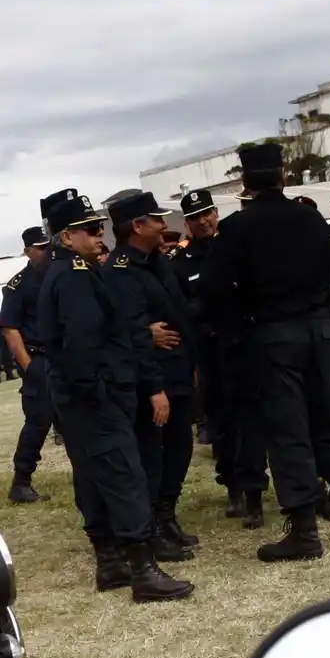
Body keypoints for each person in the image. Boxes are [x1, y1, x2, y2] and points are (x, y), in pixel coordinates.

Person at [206, 143, 330, 562]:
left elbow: (213, 289)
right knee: (329, 424)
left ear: (245, 182)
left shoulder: (237, 229)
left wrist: (239, 326)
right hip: (318, 330)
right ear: (283, 176)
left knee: (288, 433)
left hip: (271, 335)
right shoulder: (311, 219)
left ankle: (304, 530)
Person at [37, 187, 192, 602]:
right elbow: (82, 344)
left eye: (97, 227)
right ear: (67, 238)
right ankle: (143, 570)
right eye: (88, 230)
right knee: (125, 476)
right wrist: (101, 393)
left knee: (97, 474)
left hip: (87, 397)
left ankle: (111, 563)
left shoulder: (70, 273)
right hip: (96, 398)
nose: (98, 236)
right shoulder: (74, 277)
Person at [103, 190, 200, 558]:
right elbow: (125, 330)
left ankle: (166, 513)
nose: (164, 225)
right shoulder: (118, 272)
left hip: (176, 370)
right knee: (152, 455)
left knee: (180, 447)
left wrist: (190, 363)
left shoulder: (159, 262)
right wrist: (153, 385)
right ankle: (152, 526)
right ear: (137, 226)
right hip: (150, 378)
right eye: (157, 220)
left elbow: (178, 315)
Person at [173, 188, 270, 528]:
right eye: (196, 217)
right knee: (223, 423)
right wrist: (210, 322)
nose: (204, 221)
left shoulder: (237, 246)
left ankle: (257, 484)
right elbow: (181, 310)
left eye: (208, 213)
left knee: (254, 418)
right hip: (212, 353)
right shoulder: (181, 263)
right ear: (187, 223)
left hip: (246, 345)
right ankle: (233, 486)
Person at [0, 225, 54, 504]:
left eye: (48, 246)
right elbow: (10, 329)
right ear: (27, 251)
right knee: (38, 422)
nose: (46, 252)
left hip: (66, 357)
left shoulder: (61, 272)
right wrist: (29, 366)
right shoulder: (18, 286)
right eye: (40, 248)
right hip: (38, 358)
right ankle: (21, 482)